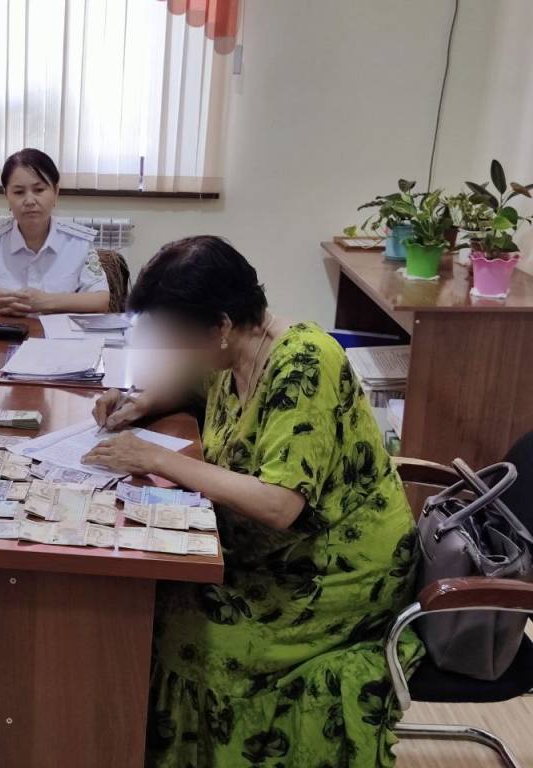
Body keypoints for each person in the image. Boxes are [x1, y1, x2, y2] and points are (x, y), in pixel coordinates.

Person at [83, 236, 423, 767]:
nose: (172, 348)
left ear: (220, 325)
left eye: (176, 335)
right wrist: (138, 404)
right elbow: (196, 387)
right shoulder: (236, 349)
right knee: (152, 596)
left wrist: (155, 457)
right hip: (265, 548)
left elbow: (280, 505)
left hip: (331, 571)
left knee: (182, 628)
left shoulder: (306, 363)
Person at [0, 148, 111, 316]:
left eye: (39, 190)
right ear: (6, 195)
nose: (29, 201)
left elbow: (100, 299)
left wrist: (45, 302)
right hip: (2, 329)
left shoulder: (78, 242)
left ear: (56, 192)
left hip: (56, 332)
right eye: (19, 192)